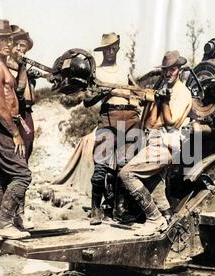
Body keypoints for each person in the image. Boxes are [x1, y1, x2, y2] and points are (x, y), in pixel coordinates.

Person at [119, 50, 193, 236]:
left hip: (165, 144)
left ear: (179, 70)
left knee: (126, 174)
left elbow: (172, 121)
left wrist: (163, 101)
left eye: (173, 69)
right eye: (166, 70)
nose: (169, 73)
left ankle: (155, 219)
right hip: (152, 141)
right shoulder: (162, 89)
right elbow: (148, 119)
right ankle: (169, 223)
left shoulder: (182, 93)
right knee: (155, 187)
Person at [0, 24, 38, 230]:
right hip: (2, 125)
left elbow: (21, 94)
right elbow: (0, 107)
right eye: (4, 40)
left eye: (10, 40)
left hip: (4, 124)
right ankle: (5, 223)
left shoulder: (0, 65)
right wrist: (15, 134)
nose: (9, 44)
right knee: (22, 175)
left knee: (0, 175)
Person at [83, 33, 141, 225]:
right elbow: (87, 100)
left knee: (125, 167)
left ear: (117, 48)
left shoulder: (125, 69)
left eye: (113, 47)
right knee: (101, 165)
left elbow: (138, 91)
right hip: (108, 118)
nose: (110, 51)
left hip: (130, 118)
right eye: (106, 48)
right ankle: (95, 209)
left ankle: (120, 210)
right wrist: (102, 92)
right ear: (102, 51)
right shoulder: (97, 72)